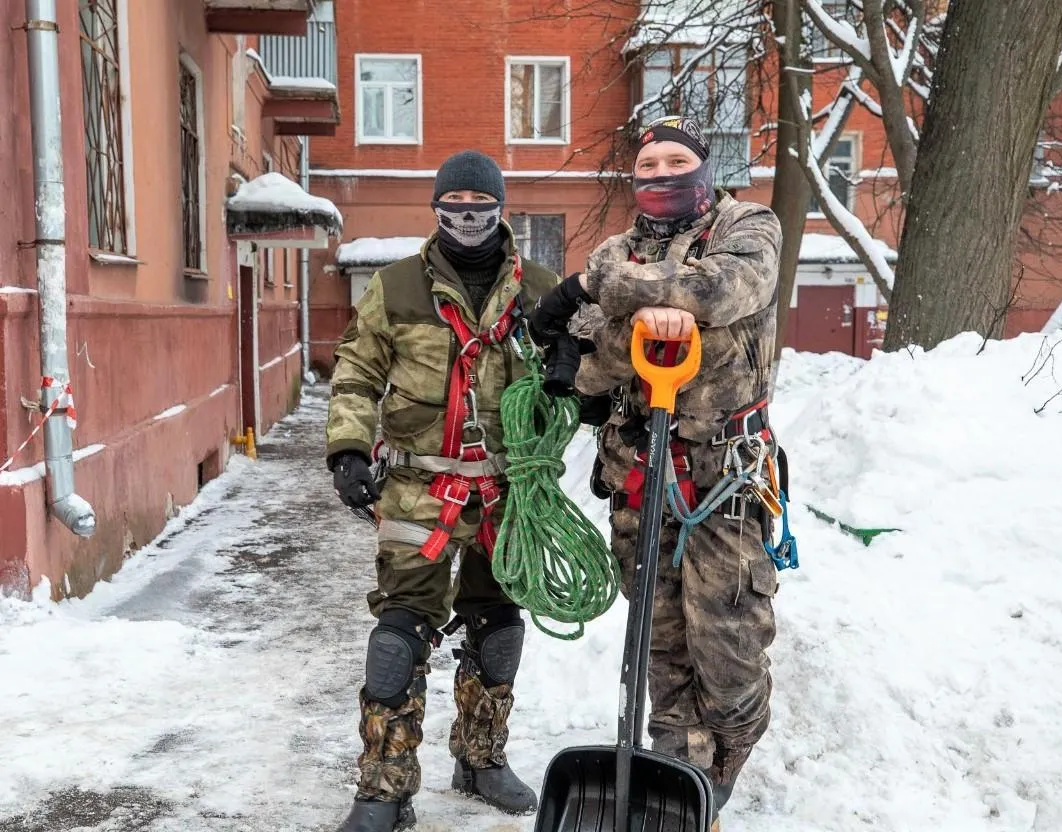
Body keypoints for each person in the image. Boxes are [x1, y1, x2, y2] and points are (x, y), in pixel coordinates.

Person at [527, 115, 783, 831]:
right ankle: (679, 779)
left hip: (724, 481)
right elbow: (588, 356)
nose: (663, 174)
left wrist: (607, 290)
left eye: (678, 160)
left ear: (704, 165)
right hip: (642, 476)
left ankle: (719, 768)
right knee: (660, 645)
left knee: (728, 648)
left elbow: (723, 293)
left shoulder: (749, 225)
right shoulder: (621, 245)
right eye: (649, 164)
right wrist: (629, 314)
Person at [325, 150, 559, 832]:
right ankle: (383, 789)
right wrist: (346, 448)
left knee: (499, 628)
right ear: (436, 211)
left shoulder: (540, 289)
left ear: (500, 211)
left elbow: (581, 375)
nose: (466, 221)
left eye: (479, 209)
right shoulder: (397, 287)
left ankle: (481, 758)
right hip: (420, 487)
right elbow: (356, 369)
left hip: (511, 492)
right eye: (452, 209)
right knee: (398, 635)